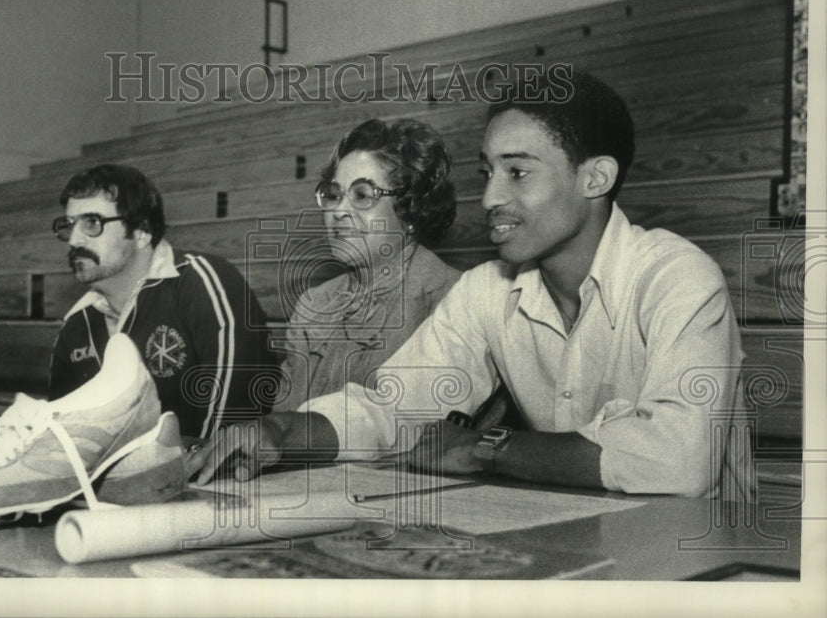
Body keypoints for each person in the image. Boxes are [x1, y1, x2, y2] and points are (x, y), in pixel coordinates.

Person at [195, 71, 752, 501]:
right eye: (488, 172)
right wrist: (279, 432)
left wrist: (487, 448)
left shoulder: (678, 277)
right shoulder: (488, 291)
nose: (489, 199)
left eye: (518, 172)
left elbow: (680, 462)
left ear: (595, 177)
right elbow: (393, 409)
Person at [48, 163, 278, 439]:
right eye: (68, 225)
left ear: (142, 232)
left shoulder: (201, 281)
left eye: (92, 223)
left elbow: (230, 430)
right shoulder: (76, 324)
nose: (73, 239)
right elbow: (62, 442)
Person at [273, 118, 461, 411]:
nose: (339, 211)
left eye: (362, 195)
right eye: (334, 195)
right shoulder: (313, 304)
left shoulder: (454, 301)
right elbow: (282, 422)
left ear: (411, 209)